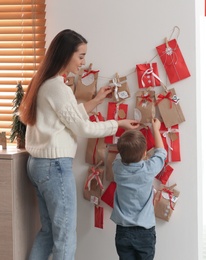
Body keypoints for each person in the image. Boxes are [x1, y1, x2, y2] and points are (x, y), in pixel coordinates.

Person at [18, 29, 139, 260]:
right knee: (65, 236)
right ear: (66, 54)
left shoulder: (43, 82)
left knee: (48, 232)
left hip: (38, 165)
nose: (83, 63)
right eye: (81, 56)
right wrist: (118, 124)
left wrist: (95, 101)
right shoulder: (57, 87)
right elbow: (82, 128)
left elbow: (68, 117)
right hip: (54, 167)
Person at [110, 119, 167, 260]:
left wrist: (127, 134)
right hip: (144, 232)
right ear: (145, 155)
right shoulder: (148, 169)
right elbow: (161, 154)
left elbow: (121, 154)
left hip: (123, 231)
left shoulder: (117, 168)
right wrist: (155, 129)